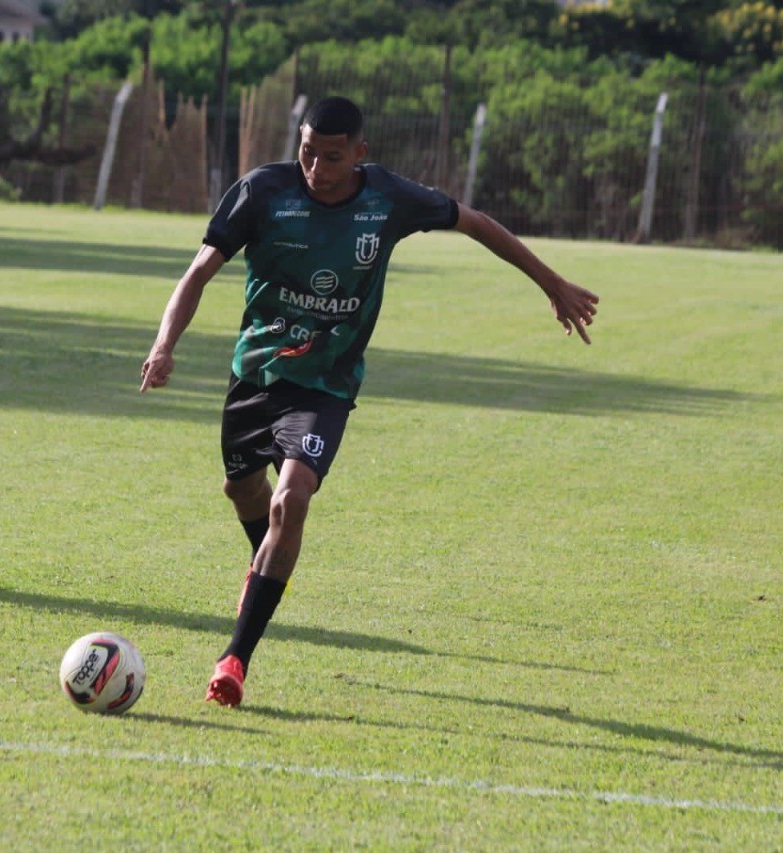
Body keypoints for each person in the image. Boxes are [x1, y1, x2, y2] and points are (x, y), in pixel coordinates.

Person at [139, 96, 598, 707]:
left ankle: (235, 659)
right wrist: (164, 345)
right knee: (242, 491)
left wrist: (552, 283)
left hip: (326, 384)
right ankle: (269, 567)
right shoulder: (262, 191)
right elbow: (199, 271)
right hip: (255, 374)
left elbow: (475, 222)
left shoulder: (388, 199)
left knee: (289, 500)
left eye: (332, 158)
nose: (316, 168)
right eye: (307, 152)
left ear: (360, 153)